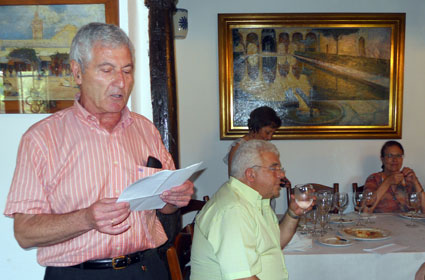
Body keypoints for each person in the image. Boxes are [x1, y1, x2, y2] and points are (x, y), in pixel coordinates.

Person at [3, 22, 193, 280]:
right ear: (77, 72)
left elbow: (166, 207)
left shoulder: (145, 130)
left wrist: (175, 198)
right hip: (78, 274)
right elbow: (24, 233)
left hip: (147, 268)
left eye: (127, 71)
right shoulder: (41, 139)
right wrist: (86, 219)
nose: (121, 82)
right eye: (107, 70)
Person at [191, 140, 307, 280]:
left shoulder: (256, 200)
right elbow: (242, 278)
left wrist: (293, 214)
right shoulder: (234, 210)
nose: (281, 175)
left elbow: (275, 243)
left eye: (280, 169)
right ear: (251, 174)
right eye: (274, 169)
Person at [363, 140, 425, 213]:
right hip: (380, 223)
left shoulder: (408, 179)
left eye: (398, 156)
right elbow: (365, 211)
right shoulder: (374, 179)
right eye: (390, 156)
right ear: (382, 159)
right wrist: (387, 182)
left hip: (407, 224)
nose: (395, 160)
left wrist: (415, 181)